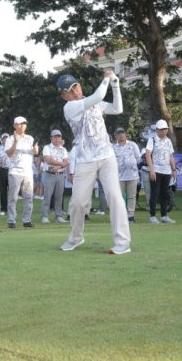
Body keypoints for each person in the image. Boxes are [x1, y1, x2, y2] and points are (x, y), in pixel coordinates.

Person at [57, 70, 131, 255]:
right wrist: (107, 78)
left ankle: (122, 243)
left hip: (106, 157)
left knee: (115, 197)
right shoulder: (70, 108)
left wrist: (115, 84)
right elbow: (98, 95)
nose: (75, 91)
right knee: (78, 203)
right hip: (84, 160)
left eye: (76, 86)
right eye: (70, 91)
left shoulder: (94, 102)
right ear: (63, 95)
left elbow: (117, 108)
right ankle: (75, 237)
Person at [5, 116, 38, 228]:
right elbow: (9, 154)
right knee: (13, 197)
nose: (22, 125)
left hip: (28, 171)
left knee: (28, 197)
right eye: (20, 123)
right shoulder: (10, 139)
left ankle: (26, 220)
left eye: (24, 123)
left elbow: (34, 152)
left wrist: (35, 151)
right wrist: (15, 142)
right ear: (15, 125)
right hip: (15, 171)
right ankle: (11, 220)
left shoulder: (30, 138)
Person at [145, 119, 177, 224]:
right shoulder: (152, 139)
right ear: (157, 130)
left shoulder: (168, 141)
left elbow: (171, 156)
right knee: (154, 193)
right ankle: (152, 216)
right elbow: (148, 155)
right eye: (162, 129)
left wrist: (174, 169)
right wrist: (151, 170)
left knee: (164, 193)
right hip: (156, 170)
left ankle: (164, 216)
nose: (164, 131)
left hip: (167, 171)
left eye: (166, 129)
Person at [113, 127, 142, 223]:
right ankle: (120, 215)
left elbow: (139, 158)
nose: (121, 135)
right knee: (119, 196)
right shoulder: (113, 147)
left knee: (132, 196)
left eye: (123, 133)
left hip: (132, 175)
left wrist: (134, 165)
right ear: (116, 136)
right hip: (119, 176)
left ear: (125, 134)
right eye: (119, 134)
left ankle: (130, 215)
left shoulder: (132, 145)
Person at [41, 129, 68, 224]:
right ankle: (44, 216)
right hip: (49, 174)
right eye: (55, 136)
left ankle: (58, 216)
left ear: (61, 138)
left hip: (60, 175)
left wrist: (58, 166)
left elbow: (67, 162)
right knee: (47, 196)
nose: (57, 139)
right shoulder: (47, 147)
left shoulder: (63, 149)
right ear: (51, 138)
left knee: (59, 197)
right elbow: (48, 159)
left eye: (59, 136)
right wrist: (61, 164)